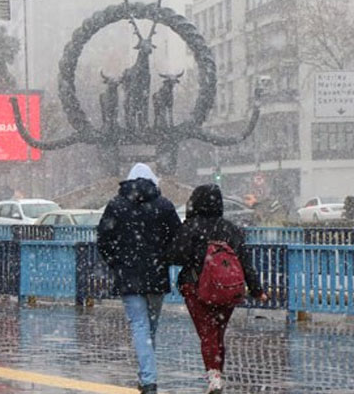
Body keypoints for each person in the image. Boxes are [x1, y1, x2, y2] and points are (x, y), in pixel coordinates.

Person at [168, 184, 267, 394]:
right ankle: (217, 373)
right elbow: (245, 261)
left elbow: (175, 256)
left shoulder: (191, 227)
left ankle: (214, 377)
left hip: (196, 287)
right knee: (218, 332)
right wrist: (257, 290)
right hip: (226, 290)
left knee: (207, 333)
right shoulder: (230, 228)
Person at [97, 163, 181, 394]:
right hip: (156, 275)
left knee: (140, 326)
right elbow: (177, 237)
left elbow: (104, 239)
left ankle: (148, 378)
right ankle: (147, 376)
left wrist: (117, 263)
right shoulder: (164, 206)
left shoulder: (116, 205)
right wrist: (164, 258)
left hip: (128, 277)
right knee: (150, 327)